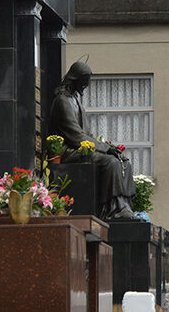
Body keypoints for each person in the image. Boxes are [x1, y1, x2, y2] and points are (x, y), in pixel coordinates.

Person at [49, 61, 139, 220]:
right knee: (110, 162)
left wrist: (107, 147)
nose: (86, 86)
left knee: (124, 161)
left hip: (80, 147)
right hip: (68, 151)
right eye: (84, 82)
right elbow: (76, 136)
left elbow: (87, 134)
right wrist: (105, 149)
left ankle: (123, 206)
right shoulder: (62, 101)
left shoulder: (75, 100)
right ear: (74, 79)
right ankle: (113, 210)